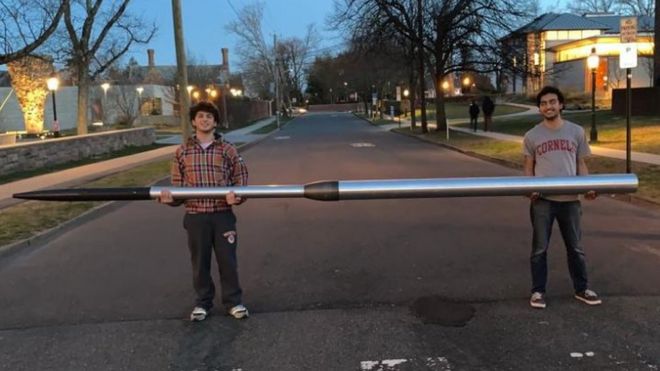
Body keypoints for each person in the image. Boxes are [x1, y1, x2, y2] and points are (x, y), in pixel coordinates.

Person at [158, 101, 249, 322]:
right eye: (200, 116)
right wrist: (170, 200)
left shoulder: (227, 150)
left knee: (228, 261)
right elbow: (178, 189)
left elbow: (241, 179)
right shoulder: (183, 152)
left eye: (209, 117)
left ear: (215, 122)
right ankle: (203, 303)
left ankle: (233, 302)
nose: (205, 120)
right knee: (200, 263)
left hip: (222, 215)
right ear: (193, 121)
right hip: (196, 216)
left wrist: (237, 196)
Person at [523, 86, 601, 309]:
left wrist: (588, 186)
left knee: (576, 247)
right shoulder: (532, 136)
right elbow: (529, 166)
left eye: (552, 102)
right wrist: (530, 189)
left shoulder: (576, 132)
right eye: (544, 103)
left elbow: (581, 163)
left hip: (570, 201)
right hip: (543, 202)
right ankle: (538, 291)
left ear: (561, 104)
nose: (549, 106)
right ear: (539, 108)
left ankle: (581, 288)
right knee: (539, 249)